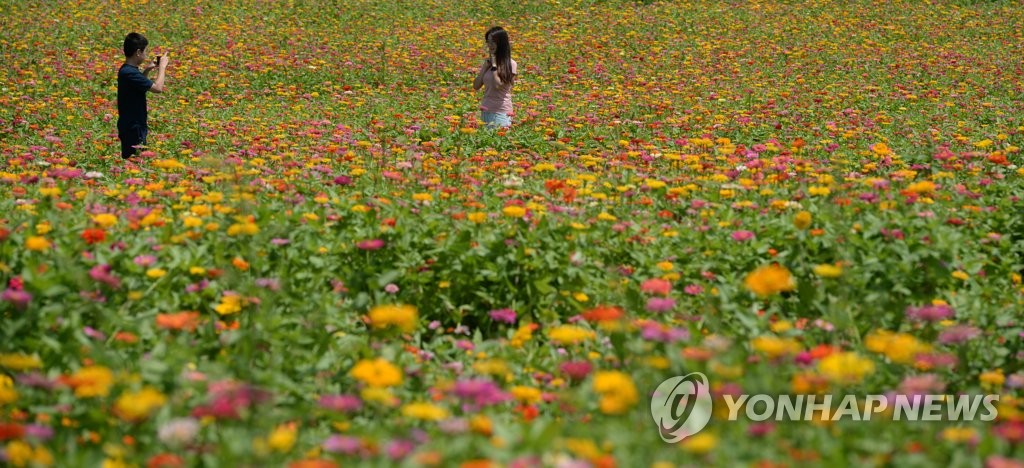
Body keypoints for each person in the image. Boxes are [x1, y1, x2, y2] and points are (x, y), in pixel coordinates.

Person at [117, 32, 168, 159]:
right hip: (133, 126)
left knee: (135, 160)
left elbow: (139, 88)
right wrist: (162, 68)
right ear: (138, 52)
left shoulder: (128, 70)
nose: (146, 55)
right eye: (145, 51)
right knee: (135, 161)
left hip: (132, 124)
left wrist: (147, 70)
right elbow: (157, 88)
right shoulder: (129, 73)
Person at [473, 27, 517, 128]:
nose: (490, 45)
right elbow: (476, 86)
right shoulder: (488, 64)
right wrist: (484, 68)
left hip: (501, 113)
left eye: (493, 42)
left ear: (501, 43)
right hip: (486, 110)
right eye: (488, 42)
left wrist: (494, 67)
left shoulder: (510, 64)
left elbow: (498, 85)